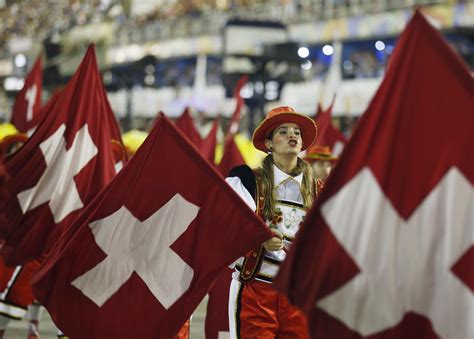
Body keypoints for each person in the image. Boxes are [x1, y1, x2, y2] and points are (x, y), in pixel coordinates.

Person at [226, 106, 319, 338]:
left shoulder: (319, 190)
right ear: (268, 144)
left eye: (297, 132)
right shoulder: (246, 181)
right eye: (283, 131)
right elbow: (227, 225)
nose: (292, 135)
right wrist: (260, 239)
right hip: (256, 290)